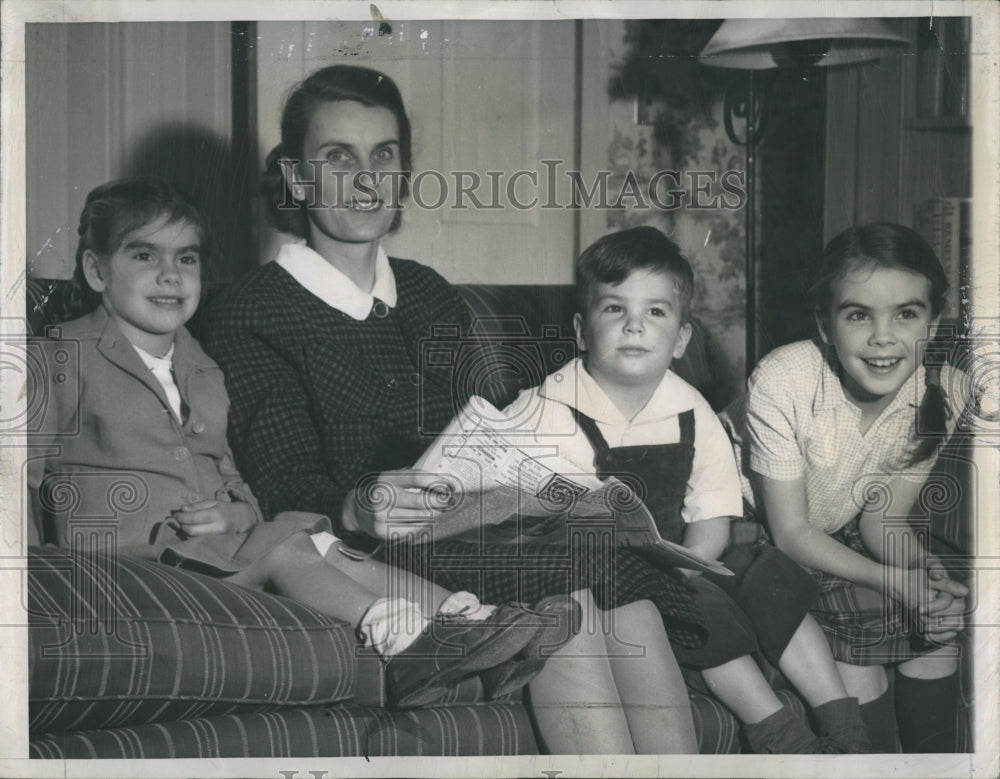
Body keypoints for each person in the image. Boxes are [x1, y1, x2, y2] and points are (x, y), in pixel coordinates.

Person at [203, 65, 698, 754]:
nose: (366, 178)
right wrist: (355, 504)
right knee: (564, 594)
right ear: (295, 177)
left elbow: (490, 425)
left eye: (385, 156)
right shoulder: (249, 310)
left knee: (622, 577)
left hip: (479, 522)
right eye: (337, 157)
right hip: (370, 546)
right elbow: (281, 480)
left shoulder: (430, 292)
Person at [26, 177, 575, 710]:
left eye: (187, 259)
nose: (170, 275)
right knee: (288, 545)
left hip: (209, 553)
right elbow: (19, 479)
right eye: (144, 256)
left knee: (325, 543)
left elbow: (235, 482)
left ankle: (477, 626)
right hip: (121, 564)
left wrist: (233, 515)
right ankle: (400, 639)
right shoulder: (60, 358)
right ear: (97, 271)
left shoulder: (203, 367)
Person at [475, 226, 870, 753]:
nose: (635, 325)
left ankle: (843, 721)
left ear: (682, 337)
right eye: (614, 309)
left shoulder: (692, 409)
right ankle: (778, 730)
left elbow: (713, 508)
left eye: (656, 312)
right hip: (598, 575)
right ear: (580, 328)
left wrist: (690, 561)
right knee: (698, 610)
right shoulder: (547, 407)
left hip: (681, 555)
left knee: (764, 572)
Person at [727, 222, 970, 752]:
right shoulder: (786, 378)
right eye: (859, 314)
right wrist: (894, 582)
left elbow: (883, 518)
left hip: (832, 533)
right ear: (824, 323)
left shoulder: (944, 391)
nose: (883, 337)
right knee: (862, 660)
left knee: (939, 632)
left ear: (935, 320)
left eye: (906, 313)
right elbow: (790, 533)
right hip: (754, 537)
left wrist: (920, 567)